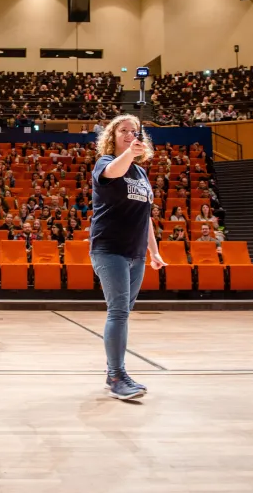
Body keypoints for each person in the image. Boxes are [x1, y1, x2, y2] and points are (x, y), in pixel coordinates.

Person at [89, 114, 165, 401]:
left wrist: (154, 251)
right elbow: (114, 172)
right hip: (109, 248)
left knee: (123, 313)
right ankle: (116, 375)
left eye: (134, 131)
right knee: (118, 312)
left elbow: (145, 217)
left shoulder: (141, 175)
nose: (130, 134)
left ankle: (116, 373)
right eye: (124, 131)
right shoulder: (105, 164)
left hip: (136, 253)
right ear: (113, 136)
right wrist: (128, 155)